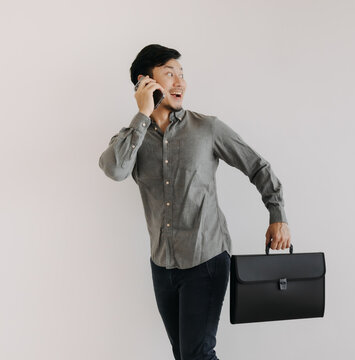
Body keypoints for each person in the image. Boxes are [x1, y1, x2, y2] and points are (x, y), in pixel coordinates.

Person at [98, 44, 291, 360]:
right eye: (169, 73)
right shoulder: (131, 138)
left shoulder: (207, 128)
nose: (180, 83)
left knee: (197, 354)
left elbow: (257, 166)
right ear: (145, 82)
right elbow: (115, 170)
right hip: (162, 265)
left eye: (182, 74)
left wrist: (277, 214)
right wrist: (142, 114)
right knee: (184, 355)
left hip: (206, 260)